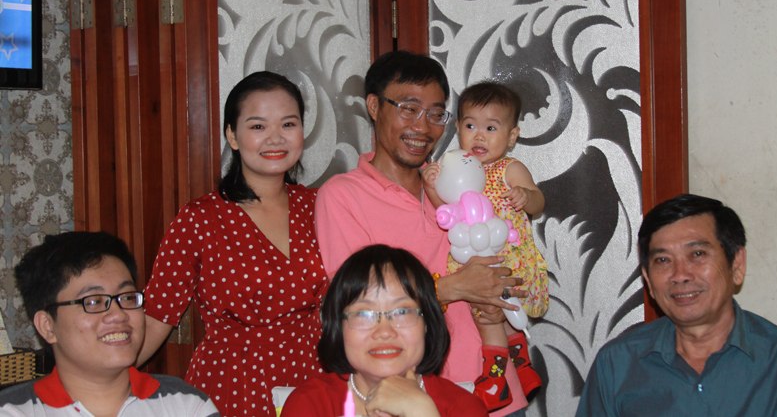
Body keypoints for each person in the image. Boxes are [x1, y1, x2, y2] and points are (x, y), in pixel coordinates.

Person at [315, 51, 530, 416]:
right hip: (414, 395)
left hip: (498, 389)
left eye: (436, 113)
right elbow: (356, 300)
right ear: (373, 106)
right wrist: (455, 286)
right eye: (409, 109)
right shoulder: (342, 195)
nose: (423, 127)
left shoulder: (456, 181)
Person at [138, 71, 328, 416]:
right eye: (258, 126)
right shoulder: (200, 219)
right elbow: (156, 317)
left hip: (314, 380)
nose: (275, 138)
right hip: (234, 385)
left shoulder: (321, 206)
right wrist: (95, 378)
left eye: (288, 124)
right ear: (232, 135)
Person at [576, 193, 777, 416]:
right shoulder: (617, 363)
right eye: (663, 260)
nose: (680, 275)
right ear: (648, 280)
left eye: (697, 254)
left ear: (737, 265)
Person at [421, 81, 547, 410]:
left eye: (491, 128)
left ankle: (496, 378)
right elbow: (445, 213)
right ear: (458, 128)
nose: (479, 136)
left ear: (512, 136)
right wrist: (432, 187)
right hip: (475, 257)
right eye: (470, 126)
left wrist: (526, 196)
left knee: (495, 314)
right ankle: (520, 367)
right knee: (493, 315)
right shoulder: (456, 167)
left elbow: (539, 202)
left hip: (508, 256)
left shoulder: (509, 168)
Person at [0, 231, 218, 416]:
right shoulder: (13, 411)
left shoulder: (185, 405)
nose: (118, 314)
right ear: (47, 326)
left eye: (127, 297)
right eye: (94, 302)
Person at [282, 244, 489, 417]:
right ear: (339, 326)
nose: (384, 331)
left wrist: (423, 413)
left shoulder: (464, 409)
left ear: (427, 323)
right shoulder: (310, 405)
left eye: (402, 312)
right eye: (364, 314)